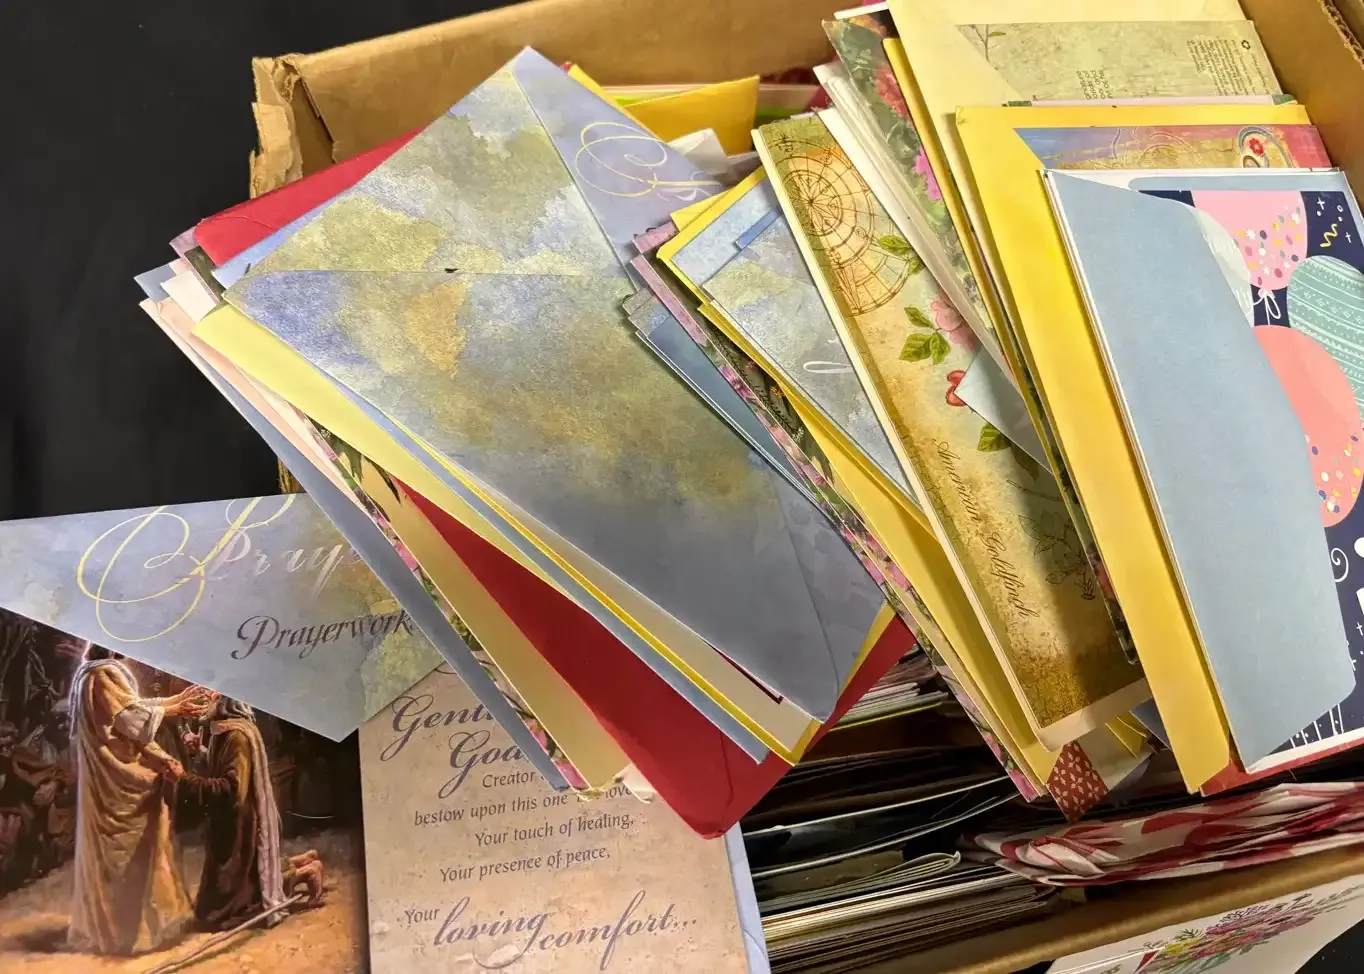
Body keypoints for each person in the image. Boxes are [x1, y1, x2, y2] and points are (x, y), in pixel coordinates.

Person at [66, 644, 215, 955]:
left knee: (123, 852)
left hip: (105, 782)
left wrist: (172, 703)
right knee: (128, 851)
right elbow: (130, 720)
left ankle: (120, 930)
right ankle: (128, 933)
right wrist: (174, 710)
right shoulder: (103, 674)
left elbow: (128, 708)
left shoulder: (89, 673)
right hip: (118, 782)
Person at [170, 697, 323, 932]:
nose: (205, 698)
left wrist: (184, 779)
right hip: (229, 826)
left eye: (212, 694)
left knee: (234, 906)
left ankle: (305, 873)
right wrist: (199, 752)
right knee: (222, 900)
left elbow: (233, 790)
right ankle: (301, 862)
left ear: (225, 702)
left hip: (239, 828)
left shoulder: (237, 736)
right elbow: (220, 769)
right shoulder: (222, 730)